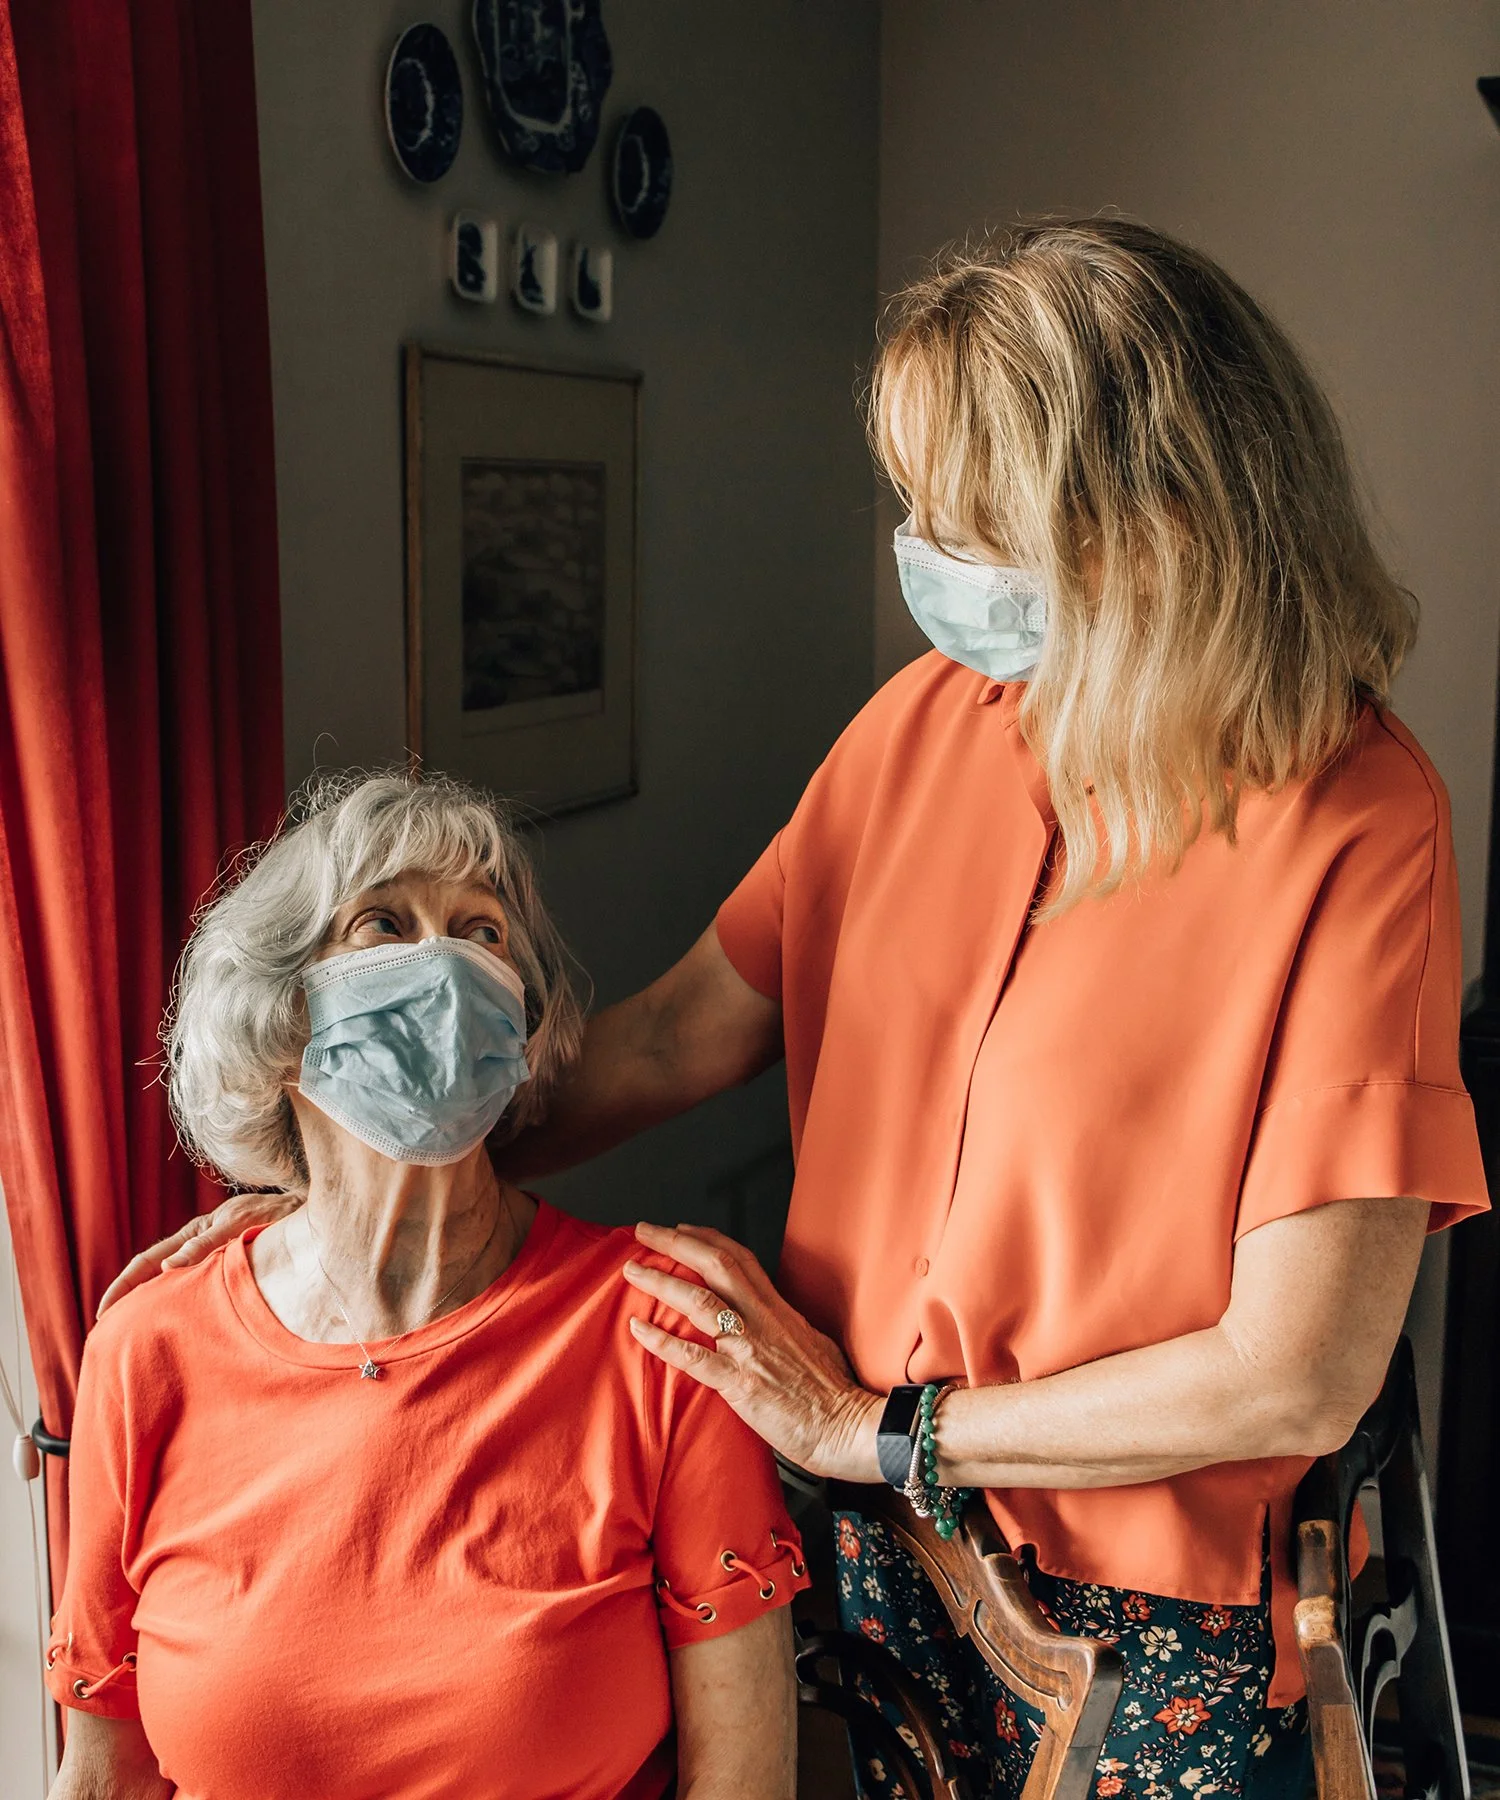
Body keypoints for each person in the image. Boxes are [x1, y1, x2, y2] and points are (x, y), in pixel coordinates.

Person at [109, 219, 1490, 1799]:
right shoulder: (924, 729)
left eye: (967, 520)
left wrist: (881, 1429)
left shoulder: (1360, 819)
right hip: (870, 1529)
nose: (926, 551)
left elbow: (1294, 1368)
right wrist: (344, 1183)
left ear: (1152, 518)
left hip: (1142, 1598)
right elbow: (672, 1036)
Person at [49, 771, 806, 1800]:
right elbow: (104, 1778)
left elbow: (744, 1781)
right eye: (384, 924)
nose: (445, 964)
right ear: (279, 1018)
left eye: (483, 931)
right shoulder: (149, 1351)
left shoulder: (658, 1335)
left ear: (521, 1025)